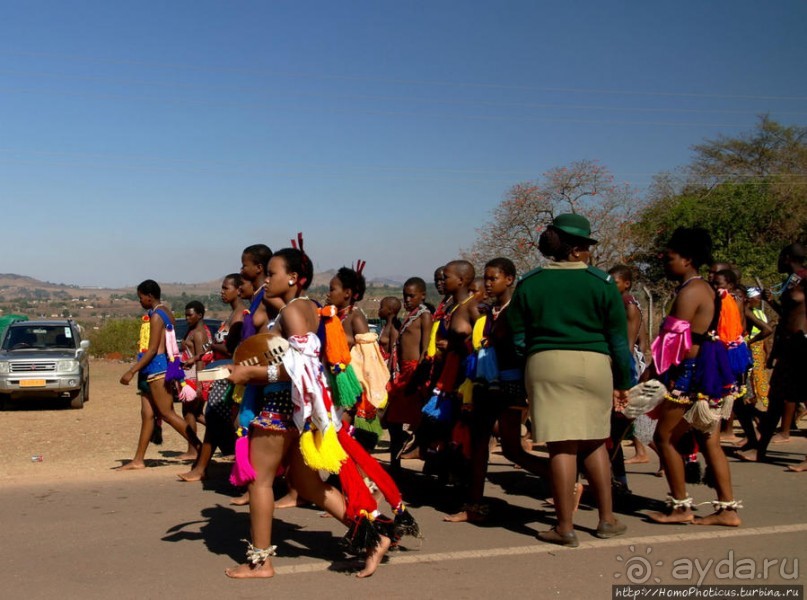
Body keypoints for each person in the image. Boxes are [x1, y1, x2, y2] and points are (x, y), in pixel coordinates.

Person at [224, 245, 395, 579]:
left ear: (293, 277)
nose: (266, 279)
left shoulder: (292, 312)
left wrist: (251, 373)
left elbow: (299, 370)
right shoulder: (310, 307)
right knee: (307, 483)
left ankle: (261, 562)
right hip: (303, 413)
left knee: (259, 481)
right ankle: (375, 536)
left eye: (272, 273)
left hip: (281, 408)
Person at [508, 214, 633, 547]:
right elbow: (618, 340)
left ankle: (564, 527)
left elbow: (517, 335)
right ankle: (607, 520)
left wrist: (530, 361)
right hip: (594, 364)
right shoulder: (602, 282)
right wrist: (623, 381)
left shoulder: (531, 282)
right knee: (595, 441)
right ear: (576, 249)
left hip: (546, 363)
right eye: (587, 246)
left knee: (561, 445)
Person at [444, 257, 550, 523]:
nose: (488, 284)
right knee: (480, 443)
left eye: (494, 279)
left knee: (512, 449)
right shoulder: (490, 310)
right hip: (486, 382)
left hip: (510, 384)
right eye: (487, 278)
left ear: (509, 280)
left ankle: (564, 480)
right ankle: (474, 505)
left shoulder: (517, 310)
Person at [647, 227, 741, 527]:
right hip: (707, 371)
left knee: (664, 438)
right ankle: (727, 510)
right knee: (709, 440)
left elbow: (670, 341)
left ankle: (680, 507)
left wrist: (650, 375)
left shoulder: (691, 291)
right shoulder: (707, 289)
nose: (666, 264)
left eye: (670, 258)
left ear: (687, 259)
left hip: (690, 374)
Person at [118, 280, 202, 470]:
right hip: (154, 368)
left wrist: (132, 371)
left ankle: (201, 449)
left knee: (167, 413)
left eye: (141, 297)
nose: (140, 301)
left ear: (149, 296)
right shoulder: (166, 312)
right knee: (147, 415)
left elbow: (153, 349)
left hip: (157, 368)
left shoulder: (157, 316)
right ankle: (138, 460)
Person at [738, 243, 807, 463]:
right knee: (776, 398)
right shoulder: (792, 281)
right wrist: (771, 303)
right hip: (788, 347)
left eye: (780, 257)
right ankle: (760, 450)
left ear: (787, 257)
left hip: (801, 348)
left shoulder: (804, 278)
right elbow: (788, 315)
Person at [178, 274, 245, 482]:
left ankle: (205, 466)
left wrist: (212, 346)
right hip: (221, 373)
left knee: (220, 418)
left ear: (238, 290)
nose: (222, 292)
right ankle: (206, 466)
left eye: (226, 288)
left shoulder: (240, 314)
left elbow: (230, 348)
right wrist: (198, 356)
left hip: (230, 374)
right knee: (218, 419)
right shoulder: (232, 314)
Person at [384, 277, 432, 471]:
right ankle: (395, 463)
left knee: (417, 419)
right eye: (405, 296)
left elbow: (425, 348)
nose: (407, 299)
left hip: (414, 372)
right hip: (402, 372)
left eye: (412, 296)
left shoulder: (424, 315)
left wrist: (419, 373)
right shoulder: (409, 316)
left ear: (422, 296)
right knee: (393, 419)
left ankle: (430, 460)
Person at [179, 300, 212, 461]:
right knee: (197, 413)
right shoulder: (194, 330)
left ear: (199, 315)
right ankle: (224, 432)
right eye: (185, 315)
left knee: (189, 412)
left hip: (195, 376)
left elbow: (201, 359)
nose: (187, 318)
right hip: (192, 375)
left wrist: (199, 384)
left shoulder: (199, 333)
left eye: (190, 315)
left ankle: (193, 449)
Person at [378, 296, 401, 367]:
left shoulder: (393, 328)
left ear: (390, 310)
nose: (379, 310)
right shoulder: (386, 326)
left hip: (386, 367)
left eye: (381, 307)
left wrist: (388, 371)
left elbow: (393, 353)